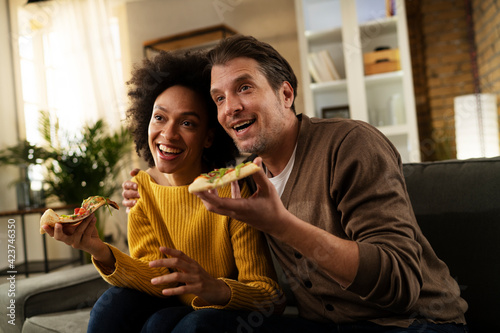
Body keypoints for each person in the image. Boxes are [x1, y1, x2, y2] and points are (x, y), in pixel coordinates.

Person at [122, 36, 468, 332]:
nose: (231, 108)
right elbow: (186, 194)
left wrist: (282, 224)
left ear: (286, 94)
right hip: (323, 326)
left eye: (244, 87)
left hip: (415, 323)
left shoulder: (351, 144)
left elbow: (400, 283)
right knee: (194, 325)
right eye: (220, 98)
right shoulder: (247, 177)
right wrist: (148, 185)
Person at [42, 49, 284, 333]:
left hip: (225, 314)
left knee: (187, 325)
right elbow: (154, 276)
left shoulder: (232, 190)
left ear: (208, 137)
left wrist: (213, 287)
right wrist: (99, 251)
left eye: (187, 123)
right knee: (114, 305)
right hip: (171, 306)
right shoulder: (142, 188)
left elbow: (269, 296)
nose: (168, 134)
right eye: (160, 118)